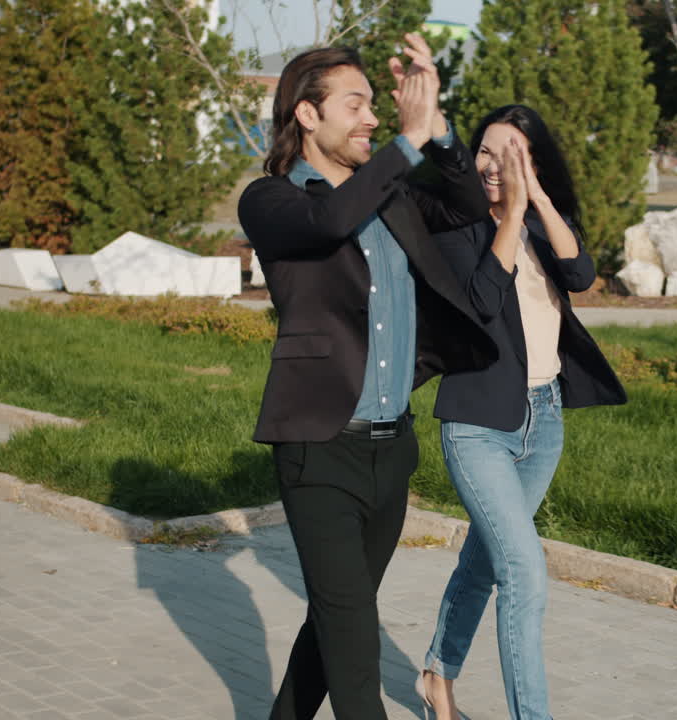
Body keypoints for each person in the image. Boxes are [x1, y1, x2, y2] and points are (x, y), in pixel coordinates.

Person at [237, 37, 497, 720]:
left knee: (336, 625)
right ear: (306, 114)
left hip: (392, 452)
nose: (373, 120)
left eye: (378, 108)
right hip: (320, 449)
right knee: (354, 648)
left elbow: (469, 204)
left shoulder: (393, 193)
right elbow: (329, 223)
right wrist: (406, 146)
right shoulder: (272, 201)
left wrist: (435, 128)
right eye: (356, 105)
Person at [416, 105, 627, 720]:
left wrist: (531, 198)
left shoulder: (541, 224)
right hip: (478, 425)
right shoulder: (458, 225)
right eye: (485, 150)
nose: (490, 164)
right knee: (524, 575)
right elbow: (482, 301)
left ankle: (436, 675)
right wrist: (508, 214)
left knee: (484, 563)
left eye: (509, 154)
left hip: (544, 420)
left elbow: (582, 273)